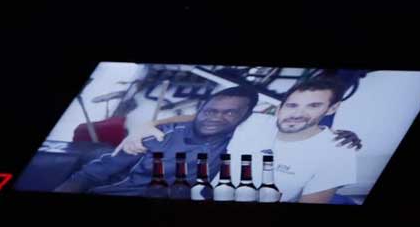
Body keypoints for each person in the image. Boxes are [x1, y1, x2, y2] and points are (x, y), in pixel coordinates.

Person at [56, 87, 259, 195]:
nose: (215, 118)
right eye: (210, 111)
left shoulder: (239, 143)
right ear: (199, 110)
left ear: (246, 117)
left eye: (230, 113)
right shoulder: (158, 135)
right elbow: (88, 176)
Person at [226, 78, 361, 203]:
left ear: (332, 108)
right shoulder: (252, 122)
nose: (297, 114)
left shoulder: (339, 149)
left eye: (313, 106)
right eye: (292, 105)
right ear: (280, 108)